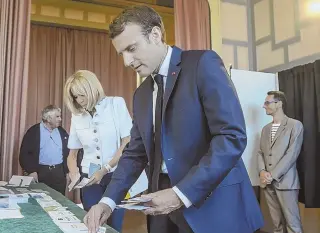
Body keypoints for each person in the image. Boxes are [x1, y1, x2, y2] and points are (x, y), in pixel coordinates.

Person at [83, 6, 264, 233]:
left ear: (156, 35)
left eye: (131, 49)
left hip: (213, 206)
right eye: (122, 54)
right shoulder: (141, 94)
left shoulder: (202, 63)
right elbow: (135, 153)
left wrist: (181, 193)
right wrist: (107, 202)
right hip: (162, 210)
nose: (127, 61)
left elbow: (231, 137)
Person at [64, 70, 132, 232]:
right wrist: (74, 174)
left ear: (92, 89)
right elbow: (72, 155)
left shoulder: (116, 104)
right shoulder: (77, 116)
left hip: (116, 176)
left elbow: (127, 143)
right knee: (93, 224)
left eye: (82, 95)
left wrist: (105, 169)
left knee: (114, 226)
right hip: (90, 180)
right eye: (75, 97)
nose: (79, 101)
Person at [258, 91, 304, 233]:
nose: (263, 106)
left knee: (293, 225)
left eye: (267, 103)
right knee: (276, 225)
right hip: (267, 183)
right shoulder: (265, 129)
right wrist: (262, 171)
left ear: (279, 104)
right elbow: (260, 152)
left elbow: (292, 154)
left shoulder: (295, 125)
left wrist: (272, 174)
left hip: (286, 183)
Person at [19, 105, 69, 195]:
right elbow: (24, 154)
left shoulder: (62, 131)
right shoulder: (33, 131)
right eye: (57, 117)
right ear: (49, 118)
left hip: (59, 173)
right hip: (40, 172)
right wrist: (31, 171)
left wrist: (67, 171)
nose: (60, 119)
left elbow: (68, 152)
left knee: (59, 202)